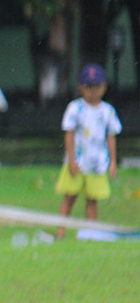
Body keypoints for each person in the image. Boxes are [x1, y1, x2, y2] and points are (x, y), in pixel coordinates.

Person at [55, 63, 122, 239]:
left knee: (92, 199)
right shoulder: (75, 108)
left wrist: (113, 161)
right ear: (80, 87)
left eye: (97, 86)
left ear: (104, 87)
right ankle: (60, 230)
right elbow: (69, 134)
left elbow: (111, 136)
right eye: (89, 86)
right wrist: (71, 159)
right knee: (70, 196)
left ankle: (90, 231)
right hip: (78, 160)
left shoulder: (108, 111)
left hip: (97, 162)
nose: (93, 91)